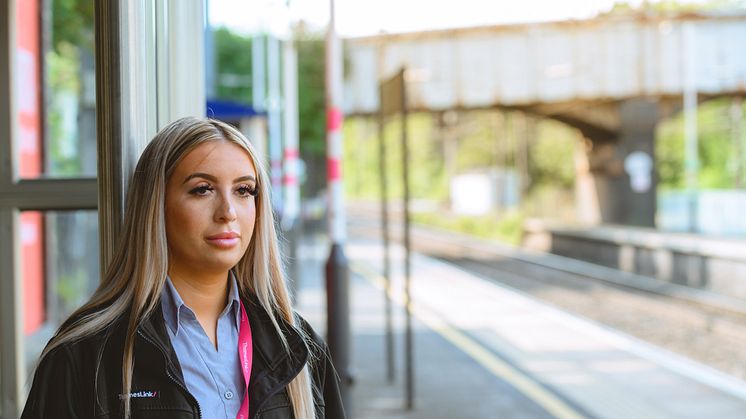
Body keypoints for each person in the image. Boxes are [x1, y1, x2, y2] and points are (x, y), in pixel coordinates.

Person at [21, 117, 345, 419]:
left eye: (244, 190)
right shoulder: (83, 354)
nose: (228, 212)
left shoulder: (297, 344)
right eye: (202, 189)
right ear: (156, 205)